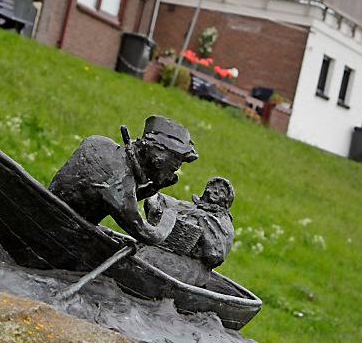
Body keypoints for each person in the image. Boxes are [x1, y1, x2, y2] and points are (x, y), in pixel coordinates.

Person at [49, 115, 198, 245]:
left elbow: (109, 202)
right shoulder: (119, 181)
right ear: (158, 161)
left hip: (58, 213)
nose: (172, 176)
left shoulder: (100, 143)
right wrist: (169, 216)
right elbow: (149, 235)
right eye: (172, 169)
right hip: (57, 233)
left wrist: (150, 189)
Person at [144, 177, 235, 270]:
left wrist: (202, 219)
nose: (216, 191)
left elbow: (215, 254)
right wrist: (155, 199)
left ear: (227, 200)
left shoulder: (223, 222)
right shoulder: (193, 207)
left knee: (153, 260)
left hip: (188, 266)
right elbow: (168, 202)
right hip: (162, 248)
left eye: (222, 192)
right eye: (213, 187)